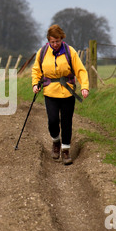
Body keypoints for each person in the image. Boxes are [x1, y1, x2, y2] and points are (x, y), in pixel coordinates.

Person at [31, 25, 89, 165]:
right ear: (48, 41)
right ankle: (56, 141)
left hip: (67, 92)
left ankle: (66, 150)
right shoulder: (43, 52)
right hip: (50, 91)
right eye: (52, 42)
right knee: (52, 121)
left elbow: (81, 70)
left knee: (66, 121)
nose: (55, 44)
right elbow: (36, 70)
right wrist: (35, 84)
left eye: (57, 41)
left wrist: (84, 87)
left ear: (61, 39)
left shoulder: (70, 52)